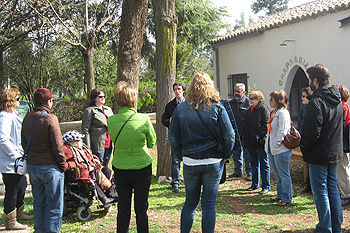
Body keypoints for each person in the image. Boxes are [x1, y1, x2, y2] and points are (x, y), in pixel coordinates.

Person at [168, 72, 235, 233]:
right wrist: (226, 154)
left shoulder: (181, 108)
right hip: (213, 160)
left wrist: (180, 156)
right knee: (209, 204)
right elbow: (230, 135)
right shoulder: (217, 106)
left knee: (190, 202)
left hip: (190, 160)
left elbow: (173, 138)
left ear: (191, 87)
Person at [108, 81, 156, 233]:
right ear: (134, 100)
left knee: (123, 207)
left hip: (121, 167)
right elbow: (151, 142)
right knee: (141, 208)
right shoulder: (143, 119)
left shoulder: (111, 120)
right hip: (142, 167)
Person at [300, 64, 343, 233]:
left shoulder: (315, 103)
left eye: (309, 79)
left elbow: (311, 133)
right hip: (333, 153)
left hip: (319, 155)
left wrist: (304, 148)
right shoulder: (337, 101)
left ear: (315, 81)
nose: (309, 82)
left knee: (321, 192)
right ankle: (335, 227)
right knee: (332, 190)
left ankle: (325, 227)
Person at [21, 88, 66, 233]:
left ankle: (39, 230)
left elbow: (23, 142)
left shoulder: (27, 117)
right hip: (50, 167)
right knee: (53, 205)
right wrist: (63, 165)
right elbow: (58, 146)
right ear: (48, 101)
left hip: (34, 166)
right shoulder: (50, 118)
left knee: (38, 203)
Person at [0, 88, 33, 230]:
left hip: (17, 160)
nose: (19, 101)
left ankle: (19, 212)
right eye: (17, 99)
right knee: (12, 190)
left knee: (22, 186)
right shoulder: (4, 116)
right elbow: (3, 139)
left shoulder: (12, 114)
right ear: (11, 101)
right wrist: (15, 156)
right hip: (10, 162)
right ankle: (11, 221)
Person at [63, 130, 118, 208]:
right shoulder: (67, 151)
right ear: (72, 143)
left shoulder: (83, 147)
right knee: (92, 180)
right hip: (80, 174)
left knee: (107, 171)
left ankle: (112, 194)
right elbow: (65, 165)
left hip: (91, 168)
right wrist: (76, 164)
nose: (81, 141)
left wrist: (96, 160)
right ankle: (104, 199)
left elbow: (90, 156)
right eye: (79, 140)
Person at [266, 90, 293, 206]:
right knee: (278, 174)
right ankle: (280, 194)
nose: (269, 101)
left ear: (278, 101)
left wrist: (276, 144)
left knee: (283, 174)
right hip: (273, 149)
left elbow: (282, 131)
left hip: (281, 150)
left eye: (271, 99)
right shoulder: (274, 112)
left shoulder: (283, 113)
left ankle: (286, 198)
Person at [243, 91, 270, 195]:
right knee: (253, 163)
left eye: (253, 98)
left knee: (264, 163)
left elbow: (265, 125)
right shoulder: (248, 110)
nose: (250, 100)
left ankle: (266, 186)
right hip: (250, 141)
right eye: (249, 98)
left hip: (259, 141)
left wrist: (259, 136)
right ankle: (255, 184)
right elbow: (245, 125)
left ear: (259, 99)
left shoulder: (263, 109)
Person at [161, 82, 186, 193]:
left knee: (188, 159)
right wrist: (169, 121)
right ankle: (175, 183)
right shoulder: (170, 106)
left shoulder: (189, 103)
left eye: (179, 89)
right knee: (175, 160)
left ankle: (189, 181)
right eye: (175, 89)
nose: (177, 91)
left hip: (188, 136)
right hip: (175, 136)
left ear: (183, 90)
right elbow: (163, 120)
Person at [82, 88, 114, 166]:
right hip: (97, 145)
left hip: (109, 143)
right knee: (98, 167)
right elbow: (85, 130)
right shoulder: (89, 111)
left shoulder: (108, 110)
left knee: (106, 167)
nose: (103, 98)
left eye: (104, 96)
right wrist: (88, 147)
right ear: (94, 98)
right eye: (100, 97)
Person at [228, 83, 252, 180]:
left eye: (239, 91)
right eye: (235, 91)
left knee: (247, 154)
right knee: (236, 153)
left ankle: (249, 173)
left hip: (245, 132)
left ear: (244, 92)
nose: (236, 93)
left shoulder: (248, 103)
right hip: (234, 132)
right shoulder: (230, 103)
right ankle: (237, 171)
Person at [336, 84, 350, 206]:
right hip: (341, 143)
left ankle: (346, 194)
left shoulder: (343, 107)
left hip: (342, 144)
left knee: (343, 169)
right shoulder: (343, 106)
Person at [297, 87, 313, 194]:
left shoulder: (312, 108)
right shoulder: (303, 107)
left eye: (304, 96)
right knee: (307, 162)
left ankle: (311, 185)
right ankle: (308, 184)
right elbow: (300, 122)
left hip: (310, 139)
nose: (302, 98)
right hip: (303, 137)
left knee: (311, 163)